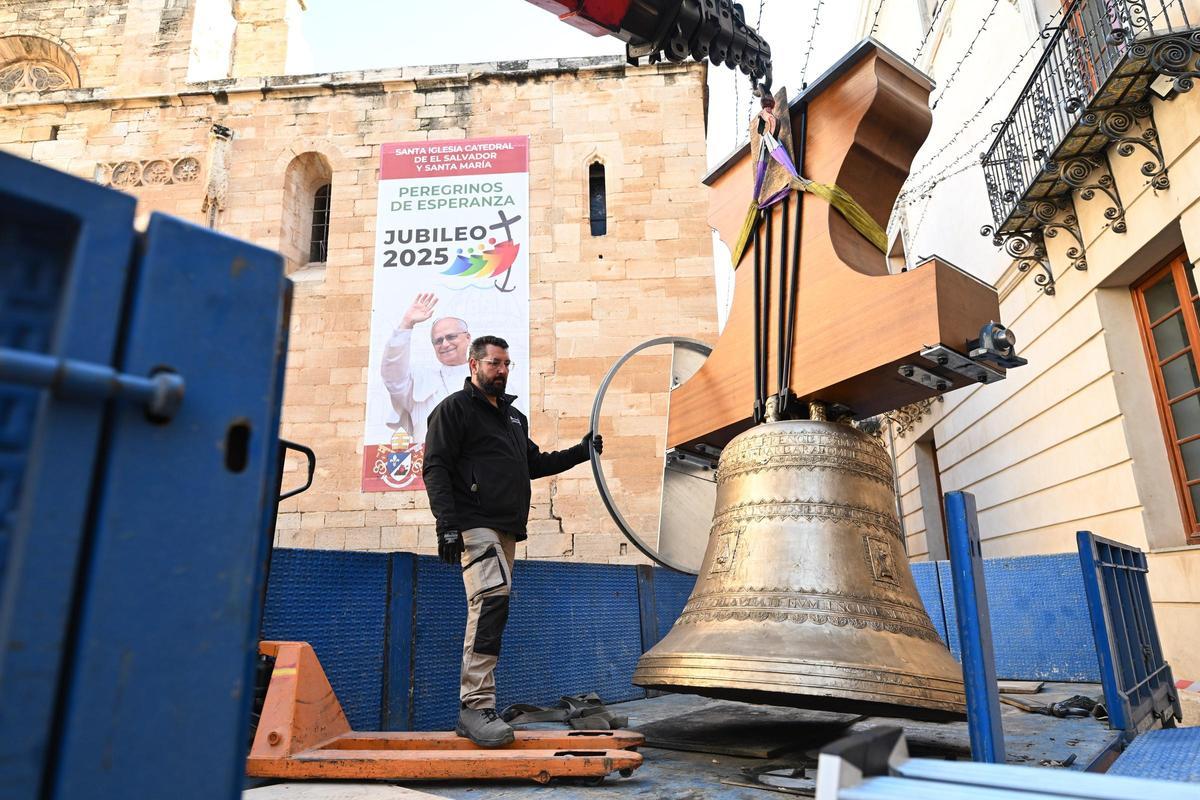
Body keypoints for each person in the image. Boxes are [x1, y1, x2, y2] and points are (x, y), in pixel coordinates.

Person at [423, 335, 603, 747]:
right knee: (490, 602)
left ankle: (477, 705)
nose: (502, 371)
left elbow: (533, 464)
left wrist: (580, 451)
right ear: (473, 365)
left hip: (506, 527)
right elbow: (434, 466)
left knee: (494, 604)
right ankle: (474, 706)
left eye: (507, 364)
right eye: (494, 364)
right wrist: (447, 525)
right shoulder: (454, 409)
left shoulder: (513, 418)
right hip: (473, 522)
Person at [380, 292, 470, 443]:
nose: (445, 344)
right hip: (431, 463)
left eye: (451, 337)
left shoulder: (488, 379)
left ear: (467, 337)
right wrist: (406, 325)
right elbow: (392, 372)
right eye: (438, 341)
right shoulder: (421, 380)